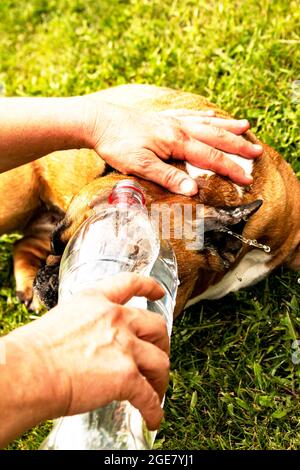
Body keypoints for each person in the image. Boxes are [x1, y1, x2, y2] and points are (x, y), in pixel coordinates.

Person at [0, 91, 262, 448]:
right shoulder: (84, 184)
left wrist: (95, 122)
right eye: (60, 248)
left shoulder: (267, 212)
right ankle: (35, 248)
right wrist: (40, 363)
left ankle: (34, 247)